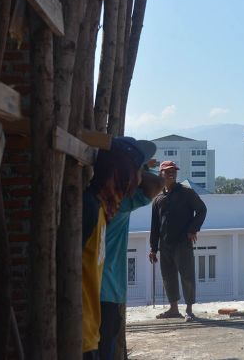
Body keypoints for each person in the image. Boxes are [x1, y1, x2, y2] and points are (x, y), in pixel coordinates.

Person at [83, 137, 155, 359]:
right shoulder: (91, 209)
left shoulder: (104, 209)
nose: (140, 179)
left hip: (89, 326)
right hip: (83, 326)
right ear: (123, 176)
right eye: (136, 173)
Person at [98, 140, 164, 359]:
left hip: (93, 290)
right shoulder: (118, 203)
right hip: (106, 293)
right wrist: (141, 169)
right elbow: (157, 183)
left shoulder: (96, 199)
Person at [150, 161, 207, 321]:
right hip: (165, 244)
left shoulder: (186, 192)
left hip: (182, 243)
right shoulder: (158, 198)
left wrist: (192, 229)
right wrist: (153, 248)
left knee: (187, 276)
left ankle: (189, 310)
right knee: (168, 277)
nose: (171, 174)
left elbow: (202, 210)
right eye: (167, 171)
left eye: (173, 171)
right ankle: (173, 309)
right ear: (160, 174)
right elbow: (154, 225)